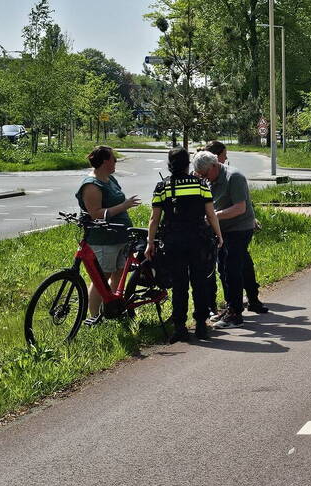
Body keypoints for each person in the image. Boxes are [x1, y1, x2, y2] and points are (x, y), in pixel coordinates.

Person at [145, 147, 223, 342]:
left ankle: (180, 327)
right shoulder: (200, 184)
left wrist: (150, 242)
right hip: (199, 239)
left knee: (179, 285)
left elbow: (154, 219)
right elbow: (210, 214)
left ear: (169, 166)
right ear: (188, 164)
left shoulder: (162, 187)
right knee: (200, 283)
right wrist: (218, 235)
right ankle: (201, 326)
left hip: (173, 241)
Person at [193, 150, 268, 329]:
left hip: (240, 228)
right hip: (222, 230)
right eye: (200, 175)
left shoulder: (234, 177)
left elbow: (240, 208)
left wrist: (213, 216)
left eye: (205, 174)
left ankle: (235, 314)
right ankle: (245, 303)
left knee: (231, 267)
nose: (204, 178)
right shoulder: (210, 177)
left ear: (214, 166)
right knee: (234, 266)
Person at [75, 145, 141, 322]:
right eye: (113, 159)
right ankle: (94, 317)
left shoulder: (109, 179)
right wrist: (124, 206)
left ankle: (112, 310)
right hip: (104, 240)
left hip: (120, 236)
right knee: (101, 279)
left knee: (119, 277)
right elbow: (95, 213)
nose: (116, 162)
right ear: (105, 161)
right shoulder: (91, 185)